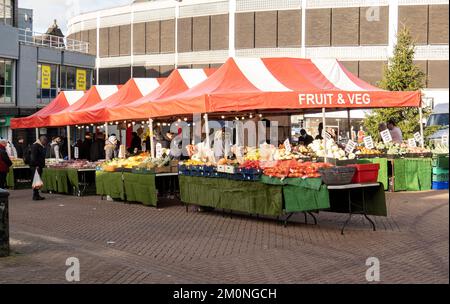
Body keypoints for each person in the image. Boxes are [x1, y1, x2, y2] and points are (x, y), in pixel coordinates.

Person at [30, 135, 47, 201]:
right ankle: (35, 195)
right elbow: (33, 157)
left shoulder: (38, 146)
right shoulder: (36, 146)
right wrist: (36, 165)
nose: (45, 142)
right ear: (42, 140)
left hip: (37, 166)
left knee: (37, 180)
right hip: (36, 166)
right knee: (36, 180)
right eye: (45, 141)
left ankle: (36, 195)